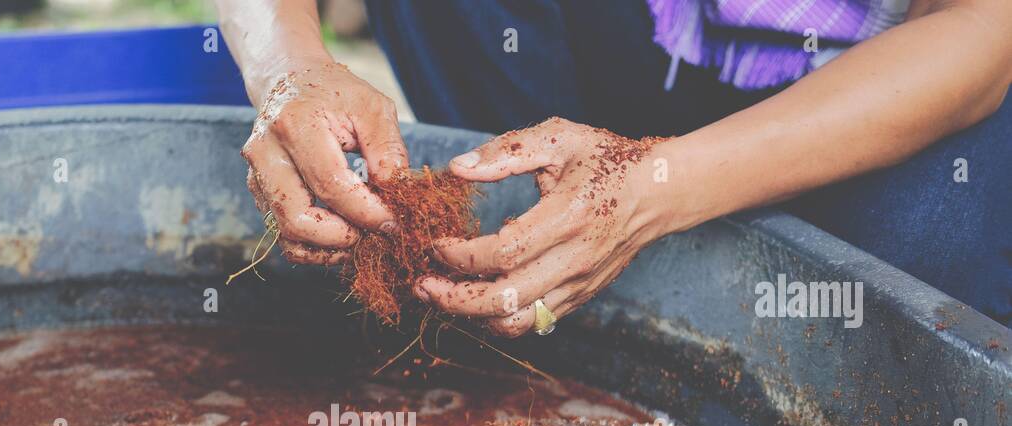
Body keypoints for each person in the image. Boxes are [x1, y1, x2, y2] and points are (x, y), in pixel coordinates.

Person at [217, 0, 1012, 335]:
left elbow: (979, 27)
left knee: (903, 304)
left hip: (882, 81)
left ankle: (612, 236)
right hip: (637, 36)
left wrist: (657, 187)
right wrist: (284, 64)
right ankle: (544, 275)